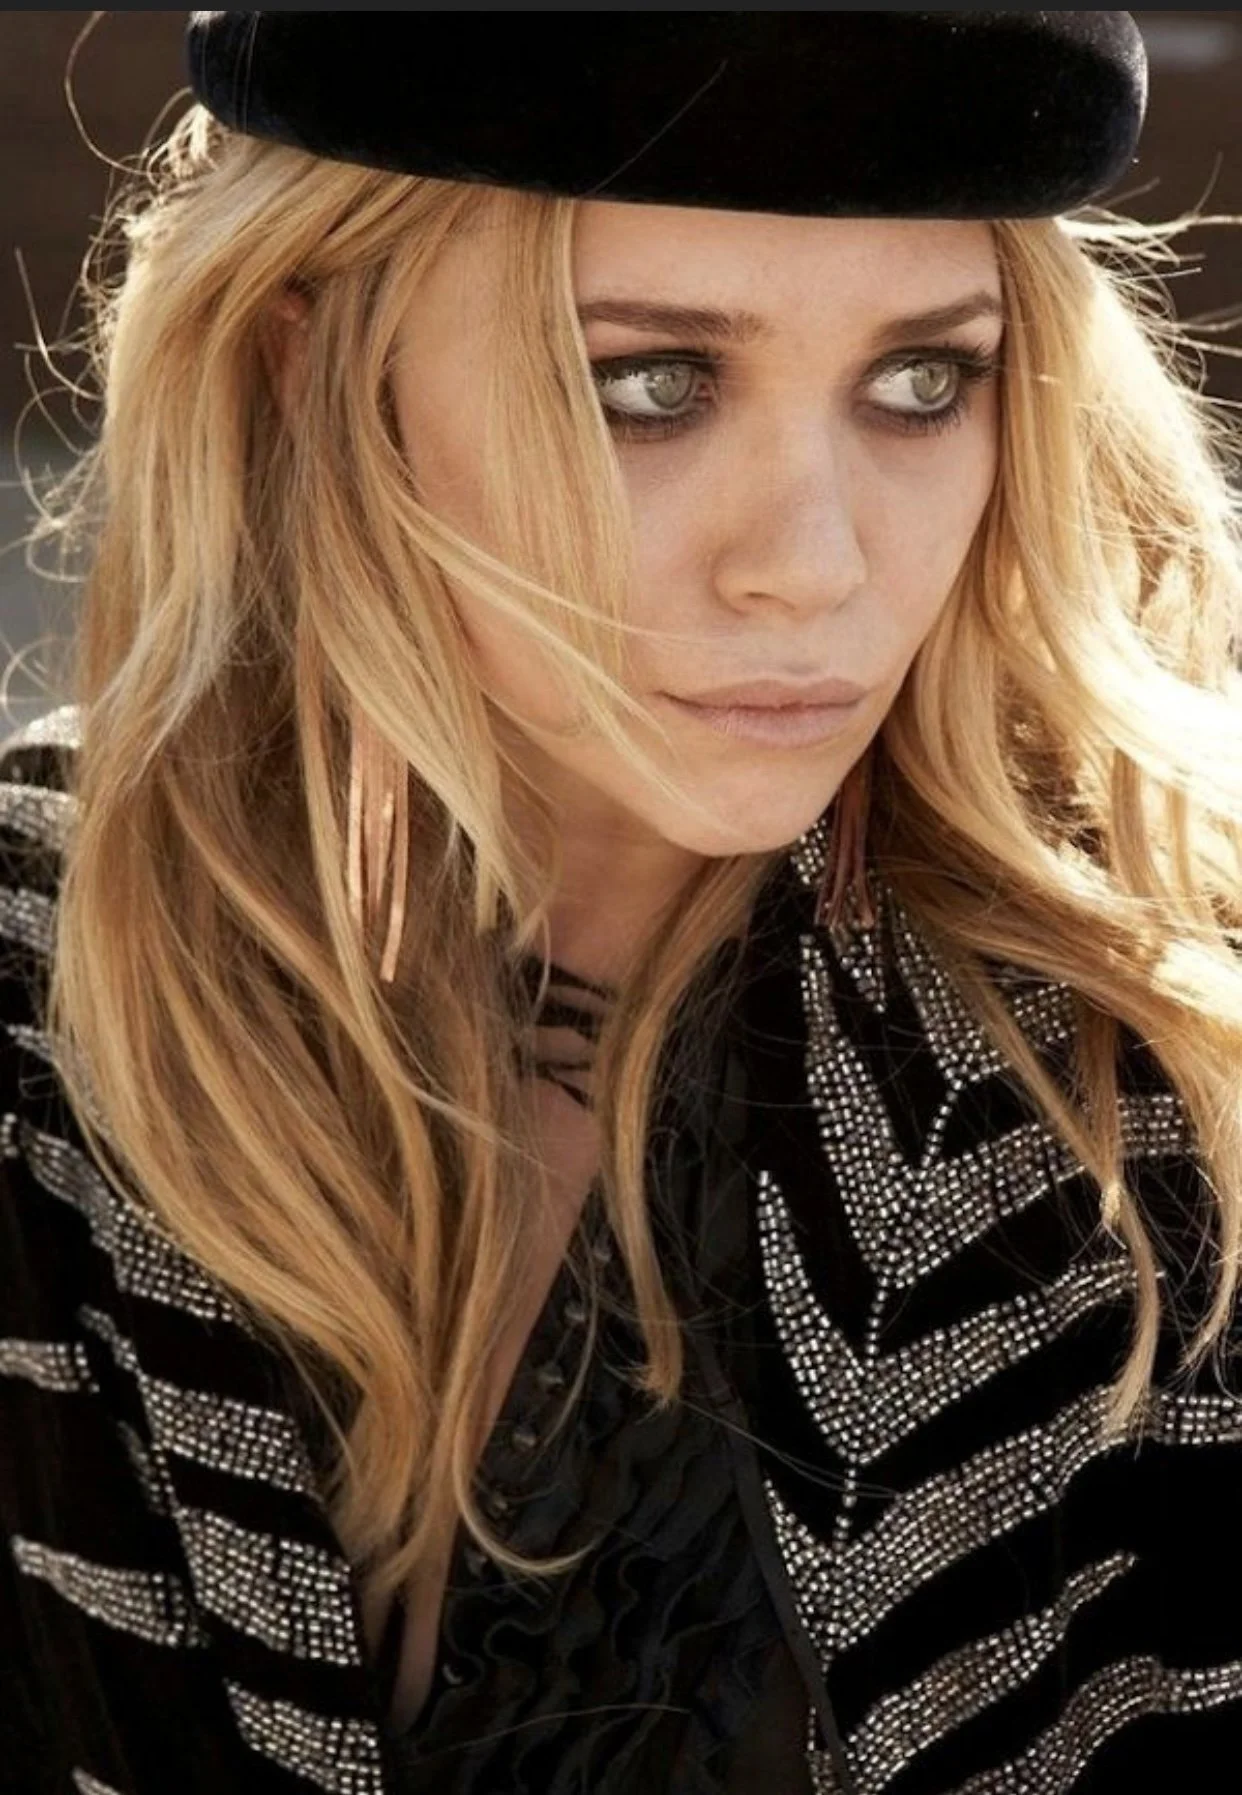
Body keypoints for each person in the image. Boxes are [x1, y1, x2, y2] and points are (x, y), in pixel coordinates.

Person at [2, 11, 1242, 1793]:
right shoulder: (43, 981)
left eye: (921, 382)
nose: (810, 562)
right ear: (310, 370)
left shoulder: (1162, 1091)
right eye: (650, 384)